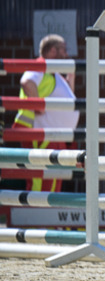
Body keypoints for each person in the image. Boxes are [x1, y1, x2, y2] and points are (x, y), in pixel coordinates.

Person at [14, 34, 79, 192]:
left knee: (52, 183)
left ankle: (46, 214)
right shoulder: (40, 66)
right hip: (40, 135)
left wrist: (71, 76)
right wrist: (38, 105)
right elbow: (26, 81)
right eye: (63, 50)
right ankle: (36, 215)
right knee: (40, 182)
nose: (66, 54)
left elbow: (68, 99)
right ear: (51, 51)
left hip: (53, 136)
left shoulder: (52, 74)